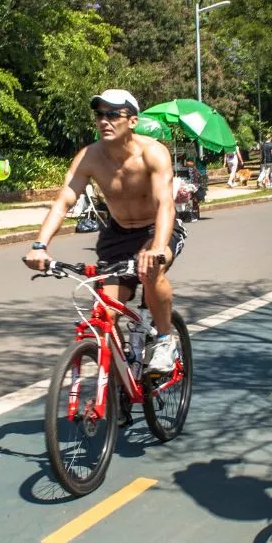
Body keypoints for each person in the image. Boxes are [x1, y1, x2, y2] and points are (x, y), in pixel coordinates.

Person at [23, 89, 185, 374]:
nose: (104, 121)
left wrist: (158, 246)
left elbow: (165, 205)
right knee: (105, 314)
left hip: (156, 229)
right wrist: (40, 245)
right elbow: (63, 202)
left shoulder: (153, 153)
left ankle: (164, 339)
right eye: (100, 115)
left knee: (150, 271)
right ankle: (117, 387)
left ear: (132, 121)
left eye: (113, 114)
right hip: (117, 235)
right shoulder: (90, 157)